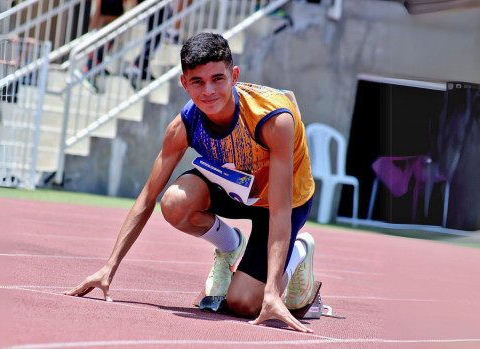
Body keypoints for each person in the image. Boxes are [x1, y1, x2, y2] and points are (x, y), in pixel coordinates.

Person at [65, 32, 317, 333]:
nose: (208, 90)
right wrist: (109, 267)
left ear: (234, 76)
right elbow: (148, 197)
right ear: (184, 83)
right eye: (197, 81)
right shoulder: (184, 125)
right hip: (236, 189)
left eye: (217, 79)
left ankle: (300, 251)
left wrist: (273, 291)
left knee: (245, 303)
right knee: (173, 202)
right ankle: (230, 245)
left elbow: (278, 211)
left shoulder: (273, 121)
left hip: (281, 201)